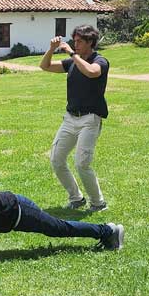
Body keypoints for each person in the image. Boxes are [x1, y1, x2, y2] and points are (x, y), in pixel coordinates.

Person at [0, 185, 123, 267]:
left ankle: (109, 231)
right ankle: (106, 231)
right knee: (57, 227)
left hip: (20, 211)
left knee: (59, 228)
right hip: (16, 209)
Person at [39, 25, 110, 211]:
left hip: (90, 120)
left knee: (82, 163)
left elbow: (92, 72)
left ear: (90, 42)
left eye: (79, 41)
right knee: (56, 159)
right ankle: (76, 198)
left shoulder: (100, 61)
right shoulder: (72, 63)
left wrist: (72, 54)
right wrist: (51, 49)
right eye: (74, 41)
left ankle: (98, 202)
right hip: (70, 118)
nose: (75, 44)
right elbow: (44, 66)